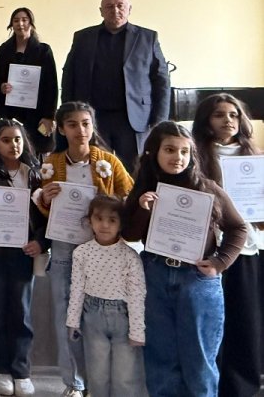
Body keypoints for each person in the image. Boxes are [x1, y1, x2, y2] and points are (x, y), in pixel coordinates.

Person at [123, 121, 247, 397]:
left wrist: (220, 263)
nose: (177, 157)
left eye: (184, 151)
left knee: (199, 361)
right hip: (154, 276)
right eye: (169, 150)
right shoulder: (144, 189)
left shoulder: (207, 188)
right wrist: (143, 209)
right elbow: (129, 234)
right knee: (160, 358)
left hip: (197, 280)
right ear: (153, 152)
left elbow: (238, 228)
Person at [35, 101, 133, 397]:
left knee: (100, 317)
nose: (81, 130)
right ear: (62, 129)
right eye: (73, 124)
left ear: (93, 126)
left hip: (102, 251)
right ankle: (74, 382)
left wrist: (110, 207)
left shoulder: (109, 161)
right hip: (64, 250)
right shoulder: (51, 163)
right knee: (66, 316)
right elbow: (44, 211)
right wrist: (45, 199)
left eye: (86, 123)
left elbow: (128, 196)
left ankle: (100, 382)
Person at [191, 94, 263, 397]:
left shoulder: (255, 157)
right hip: (210, 250)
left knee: (245, 320)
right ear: (207, 120)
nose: (228, 120)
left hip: (246, 249)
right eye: (219, 115)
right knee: (212, 321)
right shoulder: (195, 155)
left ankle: (243, 387)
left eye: (233, 115)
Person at [0, 118, 48, 397]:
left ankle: (21, 370)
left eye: (17, 139)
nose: (13, 145)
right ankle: (1, 369)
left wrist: (41, 242)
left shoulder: (37, 175)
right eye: (6, 140)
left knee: (21, 312)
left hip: (23, 253)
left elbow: (46, 216)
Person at [61, 0, 170, 172]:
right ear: (101, 11)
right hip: (93, 118)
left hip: (133, 119)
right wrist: (67, 113)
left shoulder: (148, 37)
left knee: (132, 171)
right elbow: (69, 76)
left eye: (120, 6)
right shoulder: (83, 37)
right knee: (93, 169)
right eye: (109, 7)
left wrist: (160, 121)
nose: (115, 10)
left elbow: (161, 81)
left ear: (129, 9)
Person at [66, 195, 145, 397]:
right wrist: (73, 321)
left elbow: (137, 295)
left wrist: (137, 331)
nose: (104, 225)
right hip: (93, 318)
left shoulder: (130, 257)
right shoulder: (81, 253)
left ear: (121, 224)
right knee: (97, 374)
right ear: (89, 221)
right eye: (99, 218)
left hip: (123, 318)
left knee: (125, 375)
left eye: (112, 220)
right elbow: (77, 289)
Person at [0, 7, 58, 155]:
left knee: (34, 152)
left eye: (24, 20)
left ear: (31, 23)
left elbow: (51, 86)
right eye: (16, 20)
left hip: (35, 113)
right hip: (7, 111)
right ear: (11, 25)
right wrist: (1, 87)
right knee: (6, 152)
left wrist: (49, 116)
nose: (20, 24)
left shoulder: (43, 51)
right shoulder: (3, 50)